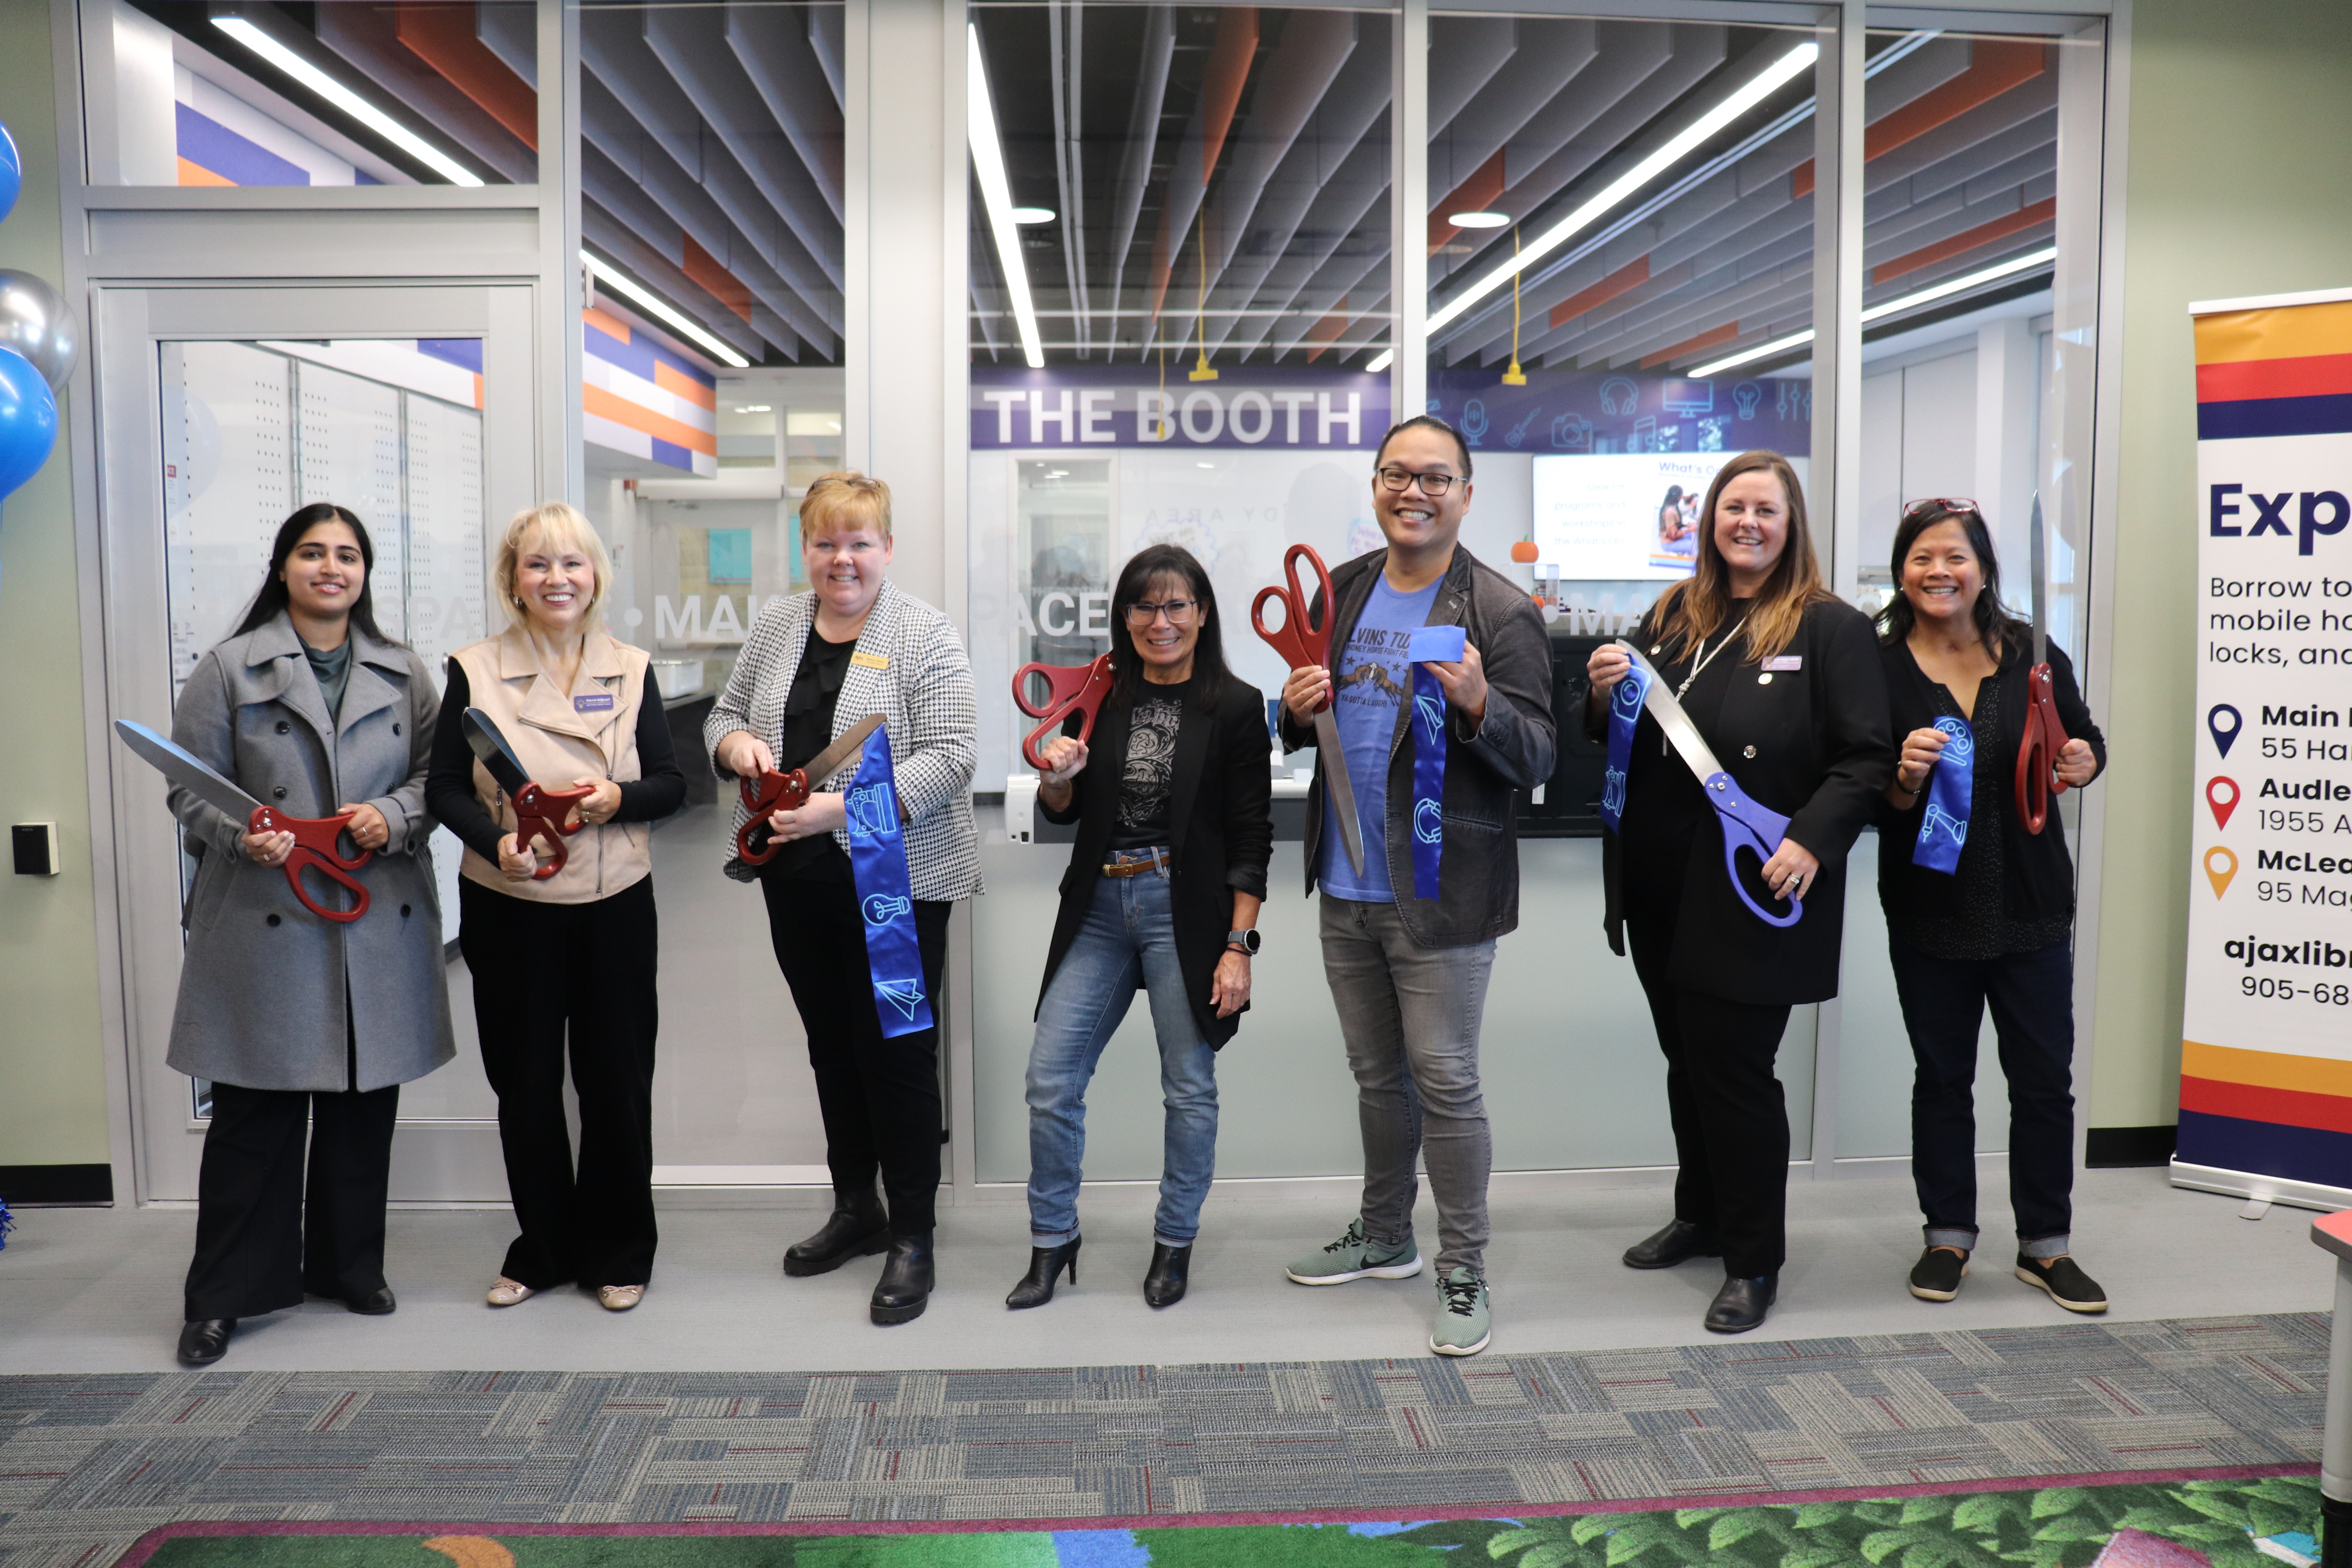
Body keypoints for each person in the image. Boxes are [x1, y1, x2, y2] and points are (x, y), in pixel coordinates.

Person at [1586, 450, 1891, 1335]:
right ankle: (1704, 1214)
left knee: (1736, 1070)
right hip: (1661, 880)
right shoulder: (1672, 615)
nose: (1747, 521)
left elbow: (1866, 755)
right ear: (1708, 520)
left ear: (1791, 523)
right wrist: (1604, 699)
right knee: (1688, 1059)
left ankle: (1755, 1258)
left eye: (1765, 508)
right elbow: (1623, 737)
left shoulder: (1829, 627)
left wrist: (1811, 838)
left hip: (1756, 879)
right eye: (1732, 507)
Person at [1278, 414, 1557, 1358]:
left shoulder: (1502, 611)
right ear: (1376, 488)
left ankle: (1462, 1264)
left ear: (1467, 494)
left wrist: (1482, 704)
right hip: (1345, 881)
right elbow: (1314, 718)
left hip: (1442, 888)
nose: (1415, 491)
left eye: (1436, 478)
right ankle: (1386, 1233)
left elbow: (1541, 754)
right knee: (1375, 1075)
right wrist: (1289, 711)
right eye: (1398, 474)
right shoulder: (1346, 590)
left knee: (1446, 1077)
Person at [166, 503, 453, 1366]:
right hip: (266, 915)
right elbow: (190, 786)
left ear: (365, 573)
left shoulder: (404, 671)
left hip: (374, 909)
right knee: (254, 1116)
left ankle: (348, 1267)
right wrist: (238, 832)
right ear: (283, 565)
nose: (332, 567)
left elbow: (441, 778)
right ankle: (223, 1296)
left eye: (348, 555)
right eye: (313, 552)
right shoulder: (227, 668)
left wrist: (393, 813)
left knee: (364, 1107)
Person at [708, 471, 982, 1327]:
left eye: (860, 541)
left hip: (894, 888)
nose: (843, 559)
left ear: (887, 548)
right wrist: (741, 744)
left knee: (896, 1053)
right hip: (794, 882)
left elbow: (952, 756)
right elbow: (719, 717)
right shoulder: (780, 626)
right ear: (807, 549)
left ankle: (912, 1233)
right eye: (826, 542)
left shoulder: (923, 633)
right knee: (833, 1046)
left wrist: (838, 810)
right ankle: (856, 1206)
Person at [425, 502, 685, 1314]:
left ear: (595, 575)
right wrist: (495, 840)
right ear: (514, 580)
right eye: (538, 564)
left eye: (572, 563)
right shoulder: (474, 669)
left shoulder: (632, 667)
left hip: (613, 901)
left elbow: (674, 785)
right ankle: (540, 1248)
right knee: (527, 1085)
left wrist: (617, 795)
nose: (557, 578)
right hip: (510, 900)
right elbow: (441, 787)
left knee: (616, 1082)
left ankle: (619, 1251)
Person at [1011, 544, 1273, 1312]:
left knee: (1189, 1087)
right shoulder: (1104, 690)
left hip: (1182, 911)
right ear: (1123, 616)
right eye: (1144, 606)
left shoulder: (1233, 704)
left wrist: (1238, 945)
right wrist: (1056, 778)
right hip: (1097, 907)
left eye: (1176, 605)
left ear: (1201, 613)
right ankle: (1053, 1239)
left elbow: (1252, 837)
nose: (1160, 621)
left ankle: (1174, 1241)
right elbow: (1067, 810)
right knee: (1050, 1080)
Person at [1875, 499, 2108, 1313]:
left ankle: (2047, 1245)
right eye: (1922, 559)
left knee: (2044, 1081)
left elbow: (2083, 741)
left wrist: (2084, 757)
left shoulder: (2035, 655)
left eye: (1955, 558)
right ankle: (1948, 1235)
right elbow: (1866, 792)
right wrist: (1903, 777)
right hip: (1930, 912)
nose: (1939, 572)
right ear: (1902, 570)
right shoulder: (1878, 666)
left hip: (2034, 907)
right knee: (1943, 1078)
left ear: (1983, 569)